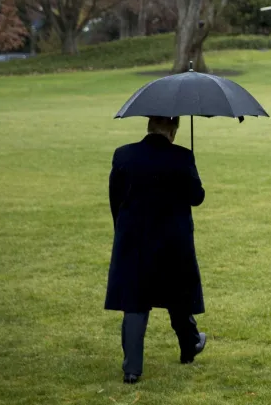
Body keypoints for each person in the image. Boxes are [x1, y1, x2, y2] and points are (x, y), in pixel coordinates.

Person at [105, 115, 207, 384]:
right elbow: (197, 197)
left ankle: (132, 370)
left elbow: (115, 197)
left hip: (134, 239)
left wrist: (123, 230)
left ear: (149, 127)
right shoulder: (182, 157)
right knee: (179, 297)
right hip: (173, 241)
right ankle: (190, 346)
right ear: (172, 131)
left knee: (135, 302)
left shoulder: (123, 155)